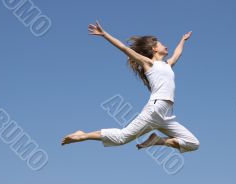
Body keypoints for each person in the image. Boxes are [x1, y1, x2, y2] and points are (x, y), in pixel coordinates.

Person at [61, 20, 200, 153]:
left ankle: (157, 140)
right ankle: (82, 135)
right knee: (122, 138)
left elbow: (177, 53)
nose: (166, 46)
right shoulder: (148, 64)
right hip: (156, 109)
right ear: (154, 49)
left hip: (167, 115)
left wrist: (183, 40)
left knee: (193, 144)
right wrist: (105, 34)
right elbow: (124, 48)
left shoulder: (167, 65)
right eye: (162, 44)